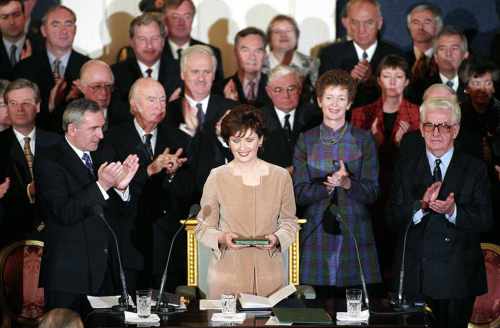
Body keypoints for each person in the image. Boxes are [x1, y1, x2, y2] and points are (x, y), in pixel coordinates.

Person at [387, 98, 493, 328]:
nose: (435, 133)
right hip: (415, 278)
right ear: (422, 130)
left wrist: (453, 211)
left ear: (455, 130)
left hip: (457, 279)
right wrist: (420, 206)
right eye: (429, 126)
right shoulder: (406, 166)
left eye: (443, 126)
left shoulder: (474, 168)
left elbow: (486, 220)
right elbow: (391, 218)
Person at [35, 98, 139, 314]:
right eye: (94, 128)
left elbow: (119, 215)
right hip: (68, 277)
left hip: (105, 273)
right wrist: (102, 185)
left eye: (102, 127)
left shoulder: (104, 153)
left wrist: (122, 189)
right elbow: (64, 212)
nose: (100, 135)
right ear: (72, 129)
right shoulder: (49, 160)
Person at [293, 69, 381, 298]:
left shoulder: (364, 140)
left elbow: (373, 192)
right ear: (319, 101)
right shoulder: (307, 139)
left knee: (355, 314)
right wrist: (327, 187)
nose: (335, 104)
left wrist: (347, 183)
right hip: (316, 235)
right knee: (315, 313)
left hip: (355, 234)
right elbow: (299, 193)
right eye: (329, 97)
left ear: (349, 103)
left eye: (341, 98)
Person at [195, 104, 298, 298]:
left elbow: (290, 223)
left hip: (270, 279)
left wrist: (277, 239)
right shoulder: (217, 176)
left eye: (249, 140)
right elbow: (202, 228)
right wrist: (223, 238)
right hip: (226, 277)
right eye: (236, 140)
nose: (242, 148)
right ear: (228, 142)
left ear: (260, 140)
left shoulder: (281, 176)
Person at [101, 78, 190, 292]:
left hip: (167, 245)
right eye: (151, 100)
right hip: (128, 242)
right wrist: (150, 170)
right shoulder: (113, 138)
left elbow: (190, 190)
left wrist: (171, 175)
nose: (159, 106)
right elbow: (111, 188)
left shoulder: (180, 139)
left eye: (162, 100)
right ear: (134, 105)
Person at [351, 55, 419, 283]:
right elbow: (353, 158)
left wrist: (402, 144)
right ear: (378, 79)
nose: (392, 82)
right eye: (387, 76)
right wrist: (373, 144)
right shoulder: (361, 114)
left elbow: (421, 160)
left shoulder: (418, 114)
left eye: (398, 77)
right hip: (371, 191)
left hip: (403, 191)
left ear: (407, 81)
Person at [0, 79, 60, 248]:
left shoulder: (57, 142)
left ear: (38, 106)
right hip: (12, 239)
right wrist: (29, 190)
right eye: (13, 103)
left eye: (26, 103)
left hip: (55, 235)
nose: (19, 109)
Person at [14, 5, 89, 132]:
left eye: (68, 24)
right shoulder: (25, 68)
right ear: (43, 30)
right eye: (55, 24)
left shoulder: (88, 66)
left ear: (75, 29)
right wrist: (49, 105)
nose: (63, 30)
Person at [319, 0, 402, 108]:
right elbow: (322, 97)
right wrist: (349, 81)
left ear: (380, 23)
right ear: (347, 23)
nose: (361, 30)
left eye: (369, 23)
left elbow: (401, 98)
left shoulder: (396, 55)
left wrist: (372, 79)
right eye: (355, 23)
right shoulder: (330, 54)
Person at [112, 13, 177, 114]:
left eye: (155, 38)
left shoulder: (180, 71)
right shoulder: (116, 74)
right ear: (131, 42)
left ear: (163, 41)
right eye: (142, 39)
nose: (149, 45)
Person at [260, 65, 320, 171]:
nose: (286, 95)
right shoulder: (258, 119)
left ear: (300, 89)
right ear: (269, 92)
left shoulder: (316, 116)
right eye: (278, 90)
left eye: (291, 89)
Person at [161, 0, 224, 97]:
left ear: (193, 19)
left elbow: (217, 91)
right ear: (165, 20)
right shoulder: (155, 52)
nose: (181, 23)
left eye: (187, 16)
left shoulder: (211, 52)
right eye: (175, 17)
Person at [408, 25, 469, 104]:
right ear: (435, 57)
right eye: (442, 49)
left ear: (465, 55)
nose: (448, 54)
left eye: (454, 48)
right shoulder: (419, 89)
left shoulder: (473, 89)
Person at [264, 14, 319, 101]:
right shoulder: (258, 65)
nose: (283, 35)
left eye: (288, 31)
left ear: (297, 35)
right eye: (277, 32)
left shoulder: (313, 64)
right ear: (269, 38)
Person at [220, 27, 270, 107]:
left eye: (258, 51)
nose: (252, 57)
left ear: (265, 54)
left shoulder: (276, 86)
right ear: (235, 53)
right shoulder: (219, 89)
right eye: (245, 50)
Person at [75, 60, 128, 130]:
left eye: (108, 86)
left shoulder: (126, 117)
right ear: (82, 87)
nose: (104, 92)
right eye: (97, 86)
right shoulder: (68, 115)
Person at [0, 0, 41, 80]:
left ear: (24, 16)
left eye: (16, 15)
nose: (11, 22)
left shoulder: (43, 47)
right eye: (5, 17)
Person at [405, 3, 442, 80]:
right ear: (409, 27)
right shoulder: (400, 58)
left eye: (427, 22)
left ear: (438, 26)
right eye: (416, 22)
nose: (421, 28)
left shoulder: (446, 59)